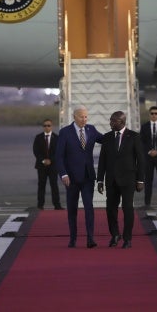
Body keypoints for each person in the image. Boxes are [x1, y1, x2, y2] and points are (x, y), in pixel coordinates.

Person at [55, 105, 103, 248]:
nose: (84, 119)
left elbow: (105, 140)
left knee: (89, 208)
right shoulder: (65, 132)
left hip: (88, 177)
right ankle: (73, 238)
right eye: (81, 116)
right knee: (72, 209)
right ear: (74, 117)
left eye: (86, 116)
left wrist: (119, 133)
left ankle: (90, 238)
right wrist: (63, 174)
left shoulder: (91, 129)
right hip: (71, 178)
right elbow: (59, 156)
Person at [97, 111, 144, 249]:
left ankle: (127, 238)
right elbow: (102, 160)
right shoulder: (107, 137)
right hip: (111, 180)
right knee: (110, 209)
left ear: (121, 121)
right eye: (110, 120)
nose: (110, 123)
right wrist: (99, 180)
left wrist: (141, 180)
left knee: (127, 208)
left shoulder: (134, 137)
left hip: (128, 179)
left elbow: (141, 160)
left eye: (113, 121)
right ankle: (115, 235)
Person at [33, 119, 63, 210]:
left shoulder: (57, 138)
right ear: (43, 127)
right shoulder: (38, 137)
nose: (47, 127)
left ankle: (57, 205)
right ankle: (40, 205)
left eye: (48, 125)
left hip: (53, 166)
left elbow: (58, 152)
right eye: (45, 125)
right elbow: (35, 151)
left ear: (52, 126)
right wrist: (43, 160)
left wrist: (51, 160)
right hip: (41, 166)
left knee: (54, 185)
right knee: (41, 185)